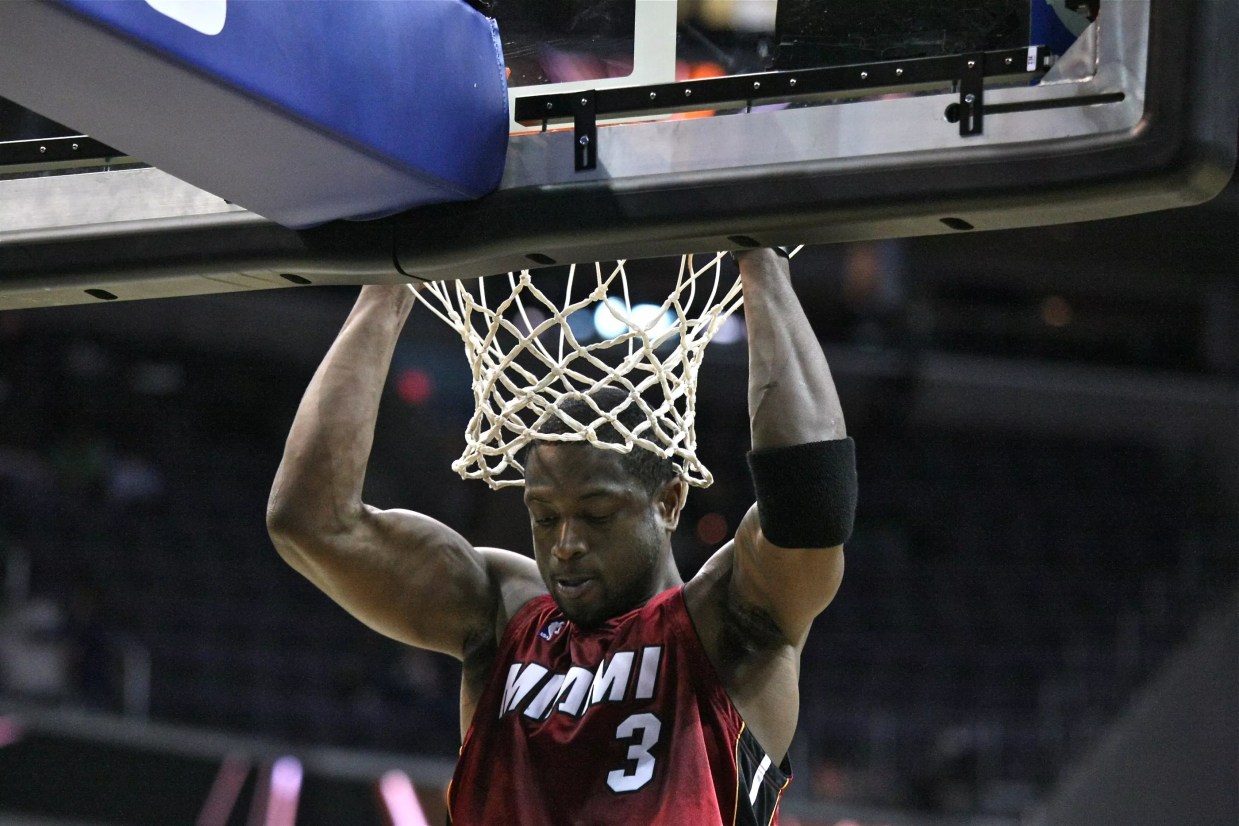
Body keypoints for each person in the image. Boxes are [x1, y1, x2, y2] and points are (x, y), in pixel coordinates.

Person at [267, 248, 856, 825]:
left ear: (669, 501)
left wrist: (761, 261)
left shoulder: (725, 624)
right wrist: (388, 279)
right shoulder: (502, 612)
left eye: (596, 515)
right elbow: (311, 522)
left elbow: (811, 505)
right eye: (544, 517)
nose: (565, 543)